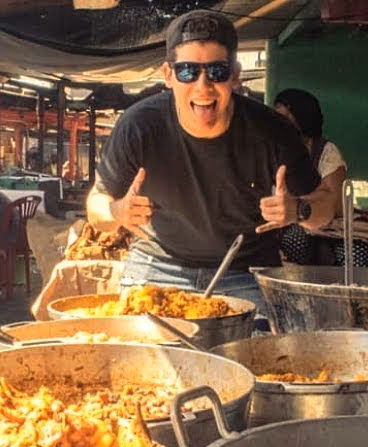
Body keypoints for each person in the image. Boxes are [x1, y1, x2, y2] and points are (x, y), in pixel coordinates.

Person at [85, 9, 333, 309]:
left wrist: (299, 209)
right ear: (168, 75)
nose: (203, 86)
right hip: (157, 265)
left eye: (217, 71)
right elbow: (96, 204)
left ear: (236, 75)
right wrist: (117, 211)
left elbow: (325, 210)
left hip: (245, 270)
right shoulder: (139, 126)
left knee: (260, 352)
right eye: (188, 71)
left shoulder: (274, 131)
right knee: (136, 353)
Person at [271, 88, 368, 267]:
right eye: (277, 119)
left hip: (331, 230)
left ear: (302, 119)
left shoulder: (326, 152)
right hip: (285, 228)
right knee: (294, 241)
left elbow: (335, 204)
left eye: (286, 118)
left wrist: (299, 208)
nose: (280, 125)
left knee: (359, 256)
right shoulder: (270, 151)